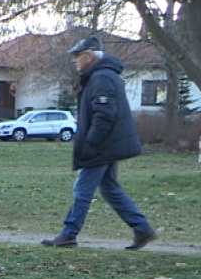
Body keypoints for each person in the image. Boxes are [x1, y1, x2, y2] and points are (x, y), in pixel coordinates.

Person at [41, 36, 156, 250]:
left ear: (89, 56)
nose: (75, 61)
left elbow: (104, 115)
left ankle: (69, 233)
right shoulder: (100, 76)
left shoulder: (101, 78)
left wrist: (91, 143)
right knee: (110, 189)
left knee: (83, 189)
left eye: (78, 56)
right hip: (108, 144)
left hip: (102, 146)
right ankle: (142, 229)